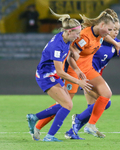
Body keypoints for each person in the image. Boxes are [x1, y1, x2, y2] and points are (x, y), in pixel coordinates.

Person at [32, 10, 120, 140]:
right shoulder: (86, 36)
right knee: (63, 105)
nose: (114, 32)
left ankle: (86, 126)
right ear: (103, 26)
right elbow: (72, 54)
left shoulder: (103, 35)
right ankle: (38, 126)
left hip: (88, 71)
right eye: (112, 29)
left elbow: (108, 39)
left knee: (106, 98)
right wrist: (76, 69)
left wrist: (118, 45)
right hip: (74, 71)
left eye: (116, 29)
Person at [26, 11, 93, 142]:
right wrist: (79, 82)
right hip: (46, 76)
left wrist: (77, 70)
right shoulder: (56, 46)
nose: (78, 36)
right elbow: (61, 72)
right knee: (67, 105)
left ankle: (34, 118)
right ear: (69, 32)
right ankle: (49, 136)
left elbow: (66, 54)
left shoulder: (64, 38)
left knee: (65, 104)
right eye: (77, 33)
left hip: (52, 75)